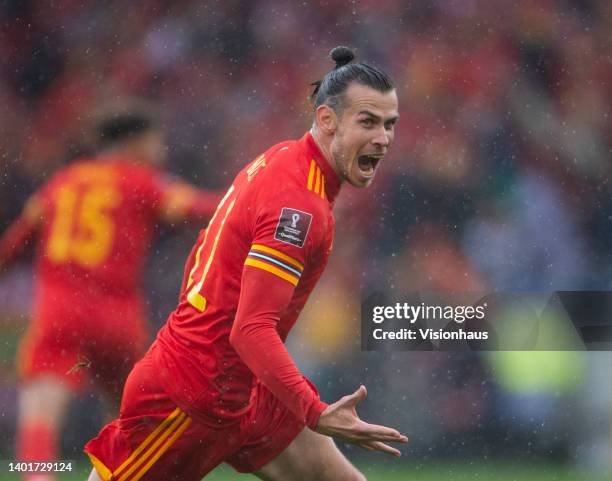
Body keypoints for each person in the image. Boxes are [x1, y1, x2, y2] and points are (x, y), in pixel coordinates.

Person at [85, 46, 405, 481]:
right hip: (192, 396)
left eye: (389, 124)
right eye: (367, 122)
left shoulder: (285, 159)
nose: (383, 138)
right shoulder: (299, 206)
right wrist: (314, 411)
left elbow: (205, 250)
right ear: (327, 120)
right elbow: (251, 329)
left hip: (248, 388)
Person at [0, 103, 220, 481]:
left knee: (40, 411)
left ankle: (37, 475)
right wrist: (251, 202)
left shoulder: (63, 181)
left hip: (59, 309)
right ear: (134, 144)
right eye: (156, 144)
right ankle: (120, 473)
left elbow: (17, 239)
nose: (161, 153)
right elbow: (197, 207)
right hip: (117, 315)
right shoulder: (142, 181)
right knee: (127, 414)